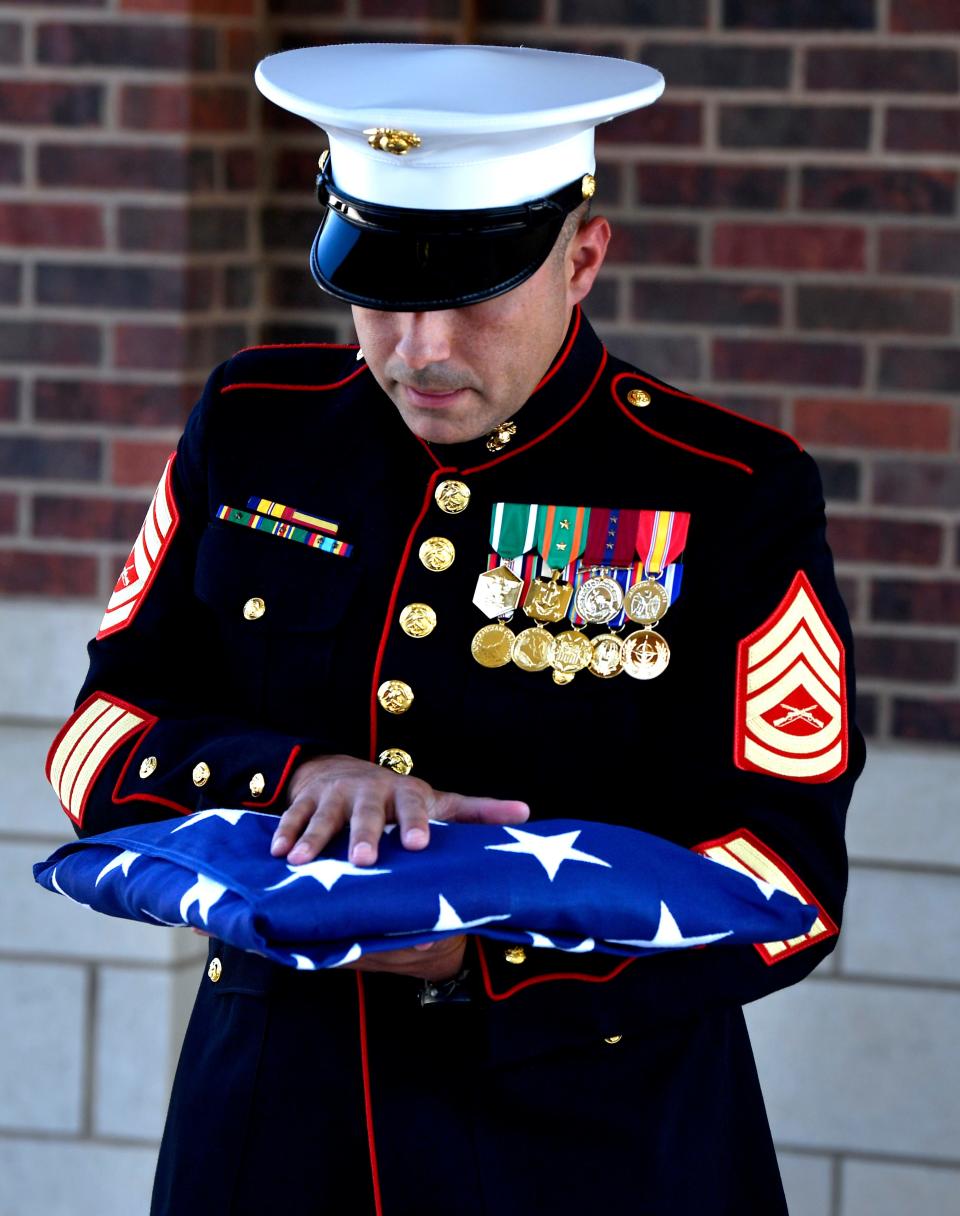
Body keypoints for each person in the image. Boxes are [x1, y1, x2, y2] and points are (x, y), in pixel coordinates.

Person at [46, 43, 865, 1216]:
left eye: (474, 294)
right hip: (271, 1134)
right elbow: (94, 741)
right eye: (377, 287)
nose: (420, 349)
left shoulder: (728, 489)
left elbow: (786, 879)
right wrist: (297, 777)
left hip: (591, 1152)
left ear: (582, 257)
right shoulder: (256, 424)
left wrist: (484, 954)